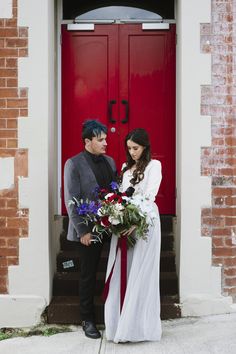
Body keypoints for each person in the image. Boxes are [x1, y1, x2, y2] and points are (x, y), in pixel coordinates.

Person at [104, 128, 162, 343]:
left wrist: (136, 223)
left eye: (135, 148)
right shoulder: (125, 168)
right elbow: (121, 196)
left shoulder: (154, 166)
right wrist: (117, 215)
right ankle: (121, 324)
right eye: (129, 148)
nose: (132, 152)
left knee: (141, 273)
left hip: (145, 223)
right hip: (125, 223)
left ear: (144, 147)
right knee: (124, 271)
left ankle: (139, 327)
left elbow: (150, 196)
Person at [64, 120, 117, 339]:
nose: (106, 142)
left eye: (105, 138)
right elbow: (71, 200)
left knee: (113, 272)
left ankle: (114, 315)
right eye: (100, 139)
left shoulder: (111, 162)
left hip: (111, 226)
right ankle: (87, 319)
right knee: (88, 275)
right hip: (88, 230)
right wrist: (83, 231)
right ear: (88, 141)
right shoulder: (73, 164)